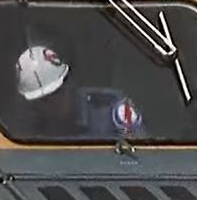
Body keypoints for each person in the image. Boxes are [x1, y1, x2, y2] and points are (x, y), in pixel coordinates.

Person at [15, 45, 144, 139]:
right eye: (40, 101)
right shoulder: (24, 132)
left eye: (54, 95)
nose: (48, 107)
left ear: (68, 85)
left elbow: (139, 159)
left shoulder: (111, 111)